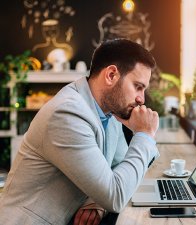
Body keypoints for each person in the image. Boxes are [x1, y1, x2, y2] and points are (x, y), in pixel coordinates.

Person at [0, 39, 159, 225]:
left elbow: (121, 166)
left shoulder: (109, 111)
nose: (141, 99)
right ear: (111, 75)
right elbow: (116, 196)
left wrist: (98, 201)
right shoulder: (67, 113)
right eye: (137, 86)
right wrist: (144, 135)